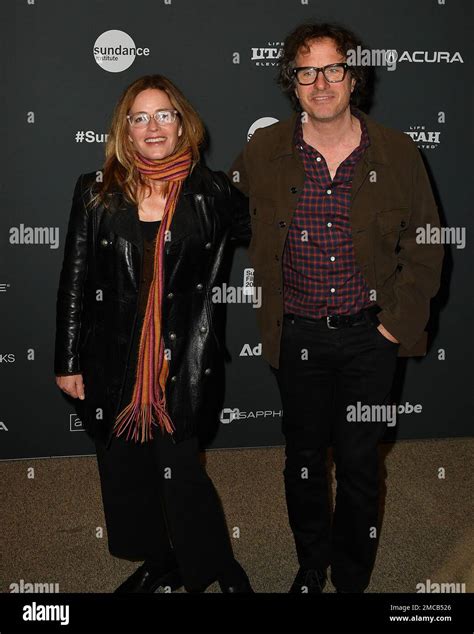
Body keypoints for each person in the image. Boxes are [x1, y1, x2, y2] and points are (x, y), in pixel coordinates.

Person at [231, 23, 444, 593]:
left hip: (370, 340)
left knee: (357, 464)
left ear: (353, 77)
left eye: (333, 69)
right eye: (306, 71)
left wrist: (395, 327)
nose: (320, 82)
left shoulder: (397, 151)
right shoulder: (263, 151)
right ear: (292, 82)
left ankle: (351, 577)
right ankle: (311, 564)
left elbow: (426, 242)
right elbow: (222, 214)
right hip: (297, 335)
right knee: (303, 459)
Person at [54, 74, 253, 593]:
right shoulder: (96, 192)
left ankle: (215, 563)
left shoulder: (213, 196)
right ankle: (160, 560)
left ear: (183, 122)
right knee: (129, 473)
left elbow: (273, 230)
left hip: (181, 360)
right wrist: (67, 358)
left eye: (164, 114)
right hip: (112, 359)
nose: (153, 126)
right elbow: (74, 277)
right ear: (125, 131)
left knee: (182, 470)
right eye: (139, 117)